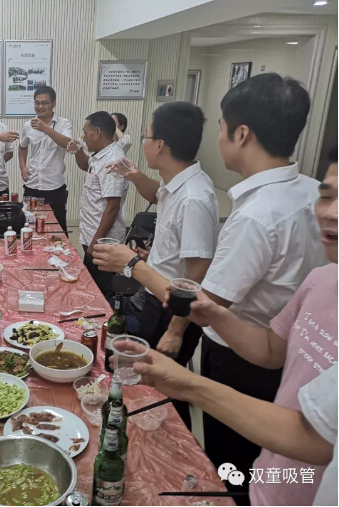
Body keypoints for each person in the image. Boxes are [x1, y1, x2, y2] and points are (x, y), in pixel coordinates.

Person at [92, 73, 325, 503]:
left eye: (222, 128)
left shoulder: (253, 215)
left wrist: (134, 266)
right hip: (280, 352)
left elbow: (202, 297)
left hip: (241, 356)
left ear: (241, 134)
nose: (218, 138)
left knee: (226, 460)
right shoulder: (312, 193)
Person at [177, 146, 337, 506]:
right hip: (270, 476)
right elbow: (271, 349)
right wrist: (215, 314)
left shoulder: (256, 214)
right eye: (327, 197)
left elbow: (313, 438)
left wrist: (188, 384)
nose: (331, 213)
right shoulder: (323, 279)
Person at [107, 102, 218, 428]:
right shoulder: (176, 184)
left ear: (160, 145)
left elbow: (199, 271)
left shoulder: (194, 197)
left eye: (146, 136)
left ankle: (173, 445)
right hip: (153, 293)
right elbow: (157, 195)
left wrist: (175, 330)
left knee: (163, 388)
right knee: (144, 376)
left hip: (171, 310)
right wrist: (132, 175)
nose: (143, 142)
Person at [128, 348, 337, 507]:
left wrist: (188, 386)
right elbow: (309, 435)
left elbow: (308, 436)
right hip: (270, 482)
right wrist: (188, 386)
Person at [70, 111, 128, 299]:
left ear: (96, 132)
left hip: (103, 242)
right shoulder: (100, 154)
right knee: (91, 287)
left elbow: (112, 207)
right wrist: (78, 150)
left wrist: (95, 244)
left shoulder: (112, 160)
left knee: (102, 291)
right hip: (91, 234)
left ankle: (106, 317)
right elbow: (86, 165)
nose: (83, 136)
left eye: (85, 132)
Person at [19, 85, 73, 231]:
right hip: (32, 184)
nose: (40, 107)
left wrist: (45, 128)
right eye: (37, 103)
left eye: (44, 103)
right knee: (29, 226)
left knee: (58, 228)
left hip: (54, 186)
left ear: (53, 103)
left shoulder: (63, 123)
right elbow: (22, 146)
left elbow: (67, 143)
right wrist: (22, 166)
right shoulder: (28, 125)